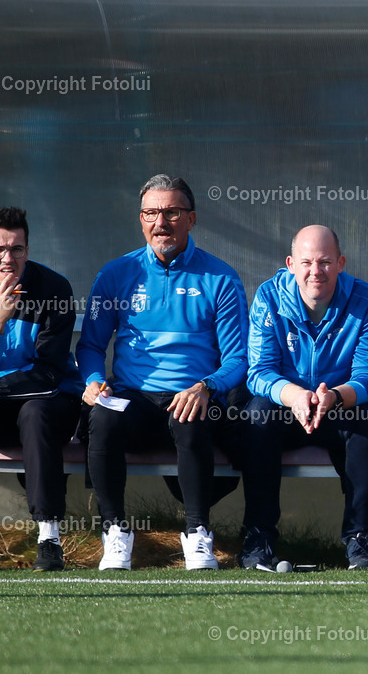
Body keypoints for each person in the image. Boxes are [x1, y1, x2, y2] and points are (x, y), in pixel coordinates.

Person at [77, 174, 249, 571]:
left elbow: (238, 358)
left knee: (191, 422)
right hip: (132, 395)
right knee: (102, 417)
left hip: (191, 394)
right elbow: (89, 347)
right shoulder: (115, 274)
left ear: (191, 219)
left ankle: (197, 535)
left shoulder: (220, 277)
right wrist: (90, 382)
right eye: (152, 212)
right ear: (141, 220)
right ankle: (116, 534)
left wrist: (207, 386)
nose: (161, 222)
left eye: (172, 212)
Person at [237, 225, 368, 571]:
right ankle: (259, 535)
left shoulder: (367, 300)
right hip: (285, 404)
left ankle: (359, 537)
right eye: (306, 262)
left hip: (338, 403)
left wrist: (334, 396)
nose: (315, 271)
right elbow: (258, 372)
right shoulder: (269, 296)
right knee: (256, 417)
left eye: (325, 262)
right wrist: (294, 396)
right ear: (291, 264)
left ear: (341, 263)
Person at [0, 207, 83, 571]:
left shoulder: (54, 289)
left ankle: (49, 538)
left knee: (35, 412)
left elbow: (48, 373)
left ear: (28, 249)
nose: (8, 258)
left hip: (49, 403)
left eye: (17, 249)